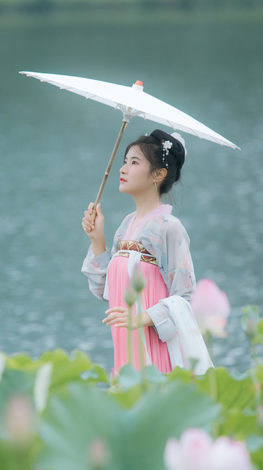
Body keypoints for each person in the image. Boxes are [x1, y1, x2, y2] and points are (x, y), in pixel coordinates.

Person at [81, 129, 210, 377]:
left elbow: (185, 298)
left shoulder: (169, 228)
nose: (123, 169)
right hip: (125, 353)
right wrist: (98, 240)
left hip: (157, 354)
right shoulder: (125, 227)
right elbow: (107, 291)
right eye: (124, 162)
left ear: (158, 174)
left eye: (134, 162)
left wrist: (141, 318)